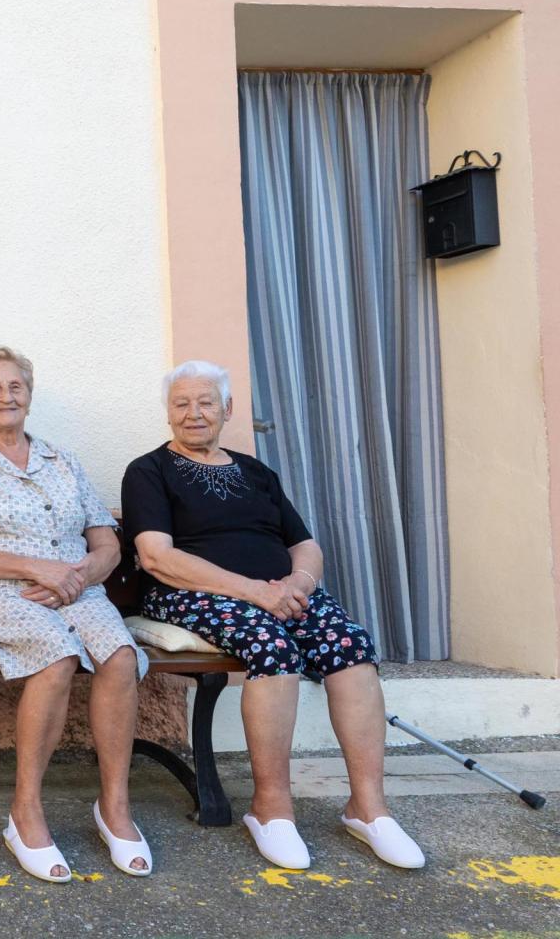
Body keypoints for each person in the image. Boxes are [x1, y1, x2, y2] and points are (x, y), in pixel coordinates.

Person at [122, 360, 424, 871]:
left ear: (228, 410)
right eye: (181, 404)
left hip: (278, 592)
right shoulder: (149, 471)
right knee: (272, 645)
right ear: (168, 413)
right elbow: (156, 557)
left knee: (350, 645)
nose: (194, 413)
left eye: (206, 402)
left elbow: (304, 544)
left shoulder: (256, 472)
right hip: (189, 593)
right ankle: (271, 807)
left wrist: (298, 584)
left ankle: (368, 808)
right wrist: (254, 593)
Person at [0, 347, 151, 882]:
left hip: (75, 590)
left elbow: (106, 544)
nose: (6, 396)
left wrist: (74, 576)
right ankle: (25, 811)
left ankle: (114, 808)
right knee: (56, 656)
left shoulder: (63, 459)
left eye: (15, 387)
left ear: (29, 395)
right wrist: (39, 569)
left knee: (120, 657)